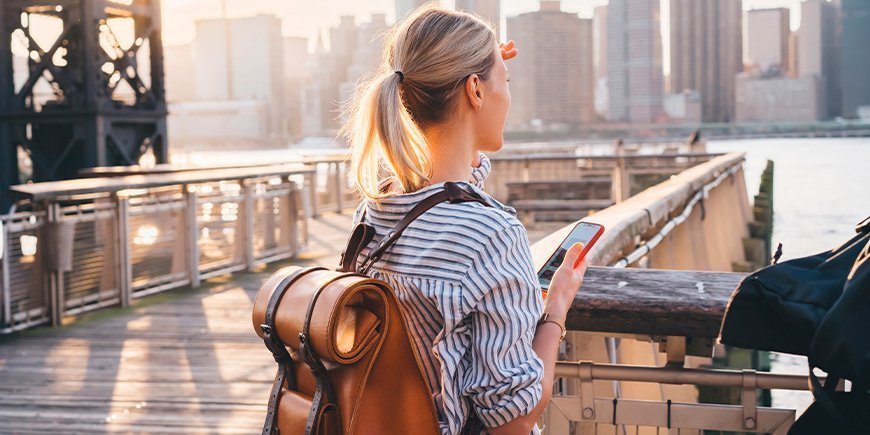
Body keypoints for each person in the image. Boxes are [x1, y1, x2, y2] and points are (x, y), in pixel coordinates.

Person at [341, 5, 588, 435]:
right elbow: (513, 422)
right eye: (505, 83)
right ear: (475, 90)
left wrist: (483, 73)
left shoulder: (378, 211)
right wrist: (557, 308)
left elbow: (447, 183)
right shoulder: (491, 237)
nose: (508, 97)